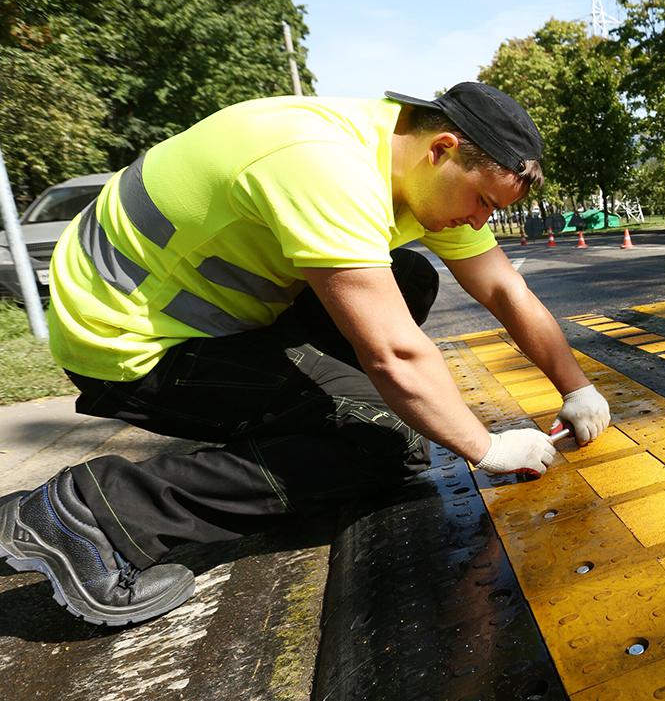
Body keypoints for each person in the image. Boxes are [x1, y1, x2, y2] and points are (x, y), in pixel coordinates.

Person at [0, 82, 611, 626]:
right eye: (482, 202)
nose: (480, 219)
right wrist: (486, 447)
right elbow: (395, 355)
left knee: (408, 279)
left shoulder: (404, 163)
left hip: (207, 320)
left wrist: (575, 386)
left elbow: (506, 288)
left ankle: (311, 427)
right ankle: (89, 517)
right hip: (130, 343)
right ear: (443, 148)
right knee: (395, 437)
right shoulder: (324, 166)